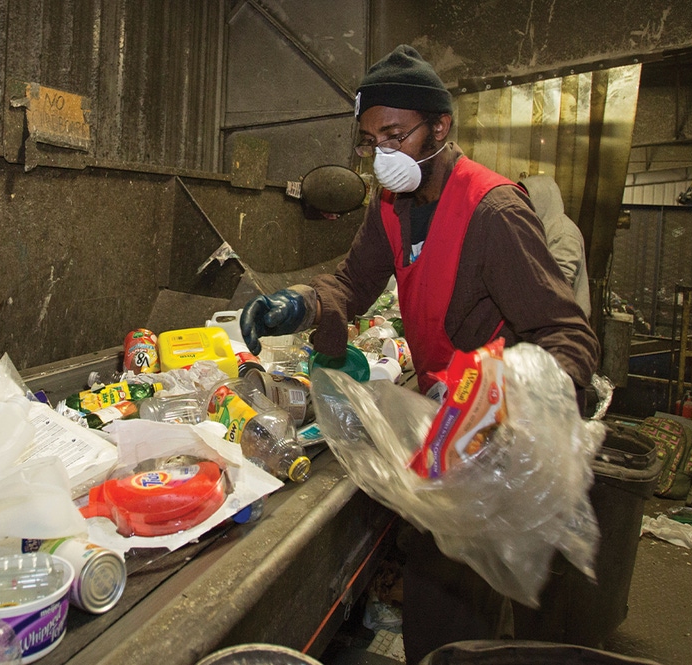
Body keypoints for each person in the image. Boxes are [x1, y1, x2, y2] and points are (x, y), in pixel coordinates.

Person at [238, 45, 600, 662]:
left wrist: (511, 397)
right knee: (451, 586)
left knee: (447, 610)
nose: (383, 155)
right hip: (446, 420)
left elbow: (568, 334)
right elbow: (354, 281)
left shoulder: (494, 211)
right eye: (370, 140)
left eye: (397, 136)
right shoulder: (392, 207)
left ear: (441, 127)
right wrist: (303, 302)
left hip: (490, 435)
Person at [518, 173, 592, 316]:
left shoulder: (562, 232)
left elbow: (559, 285)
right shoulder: (541, 228)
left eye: (527, 199)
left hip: (565, 324)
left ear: (541, 200)